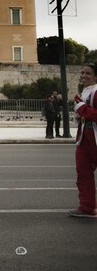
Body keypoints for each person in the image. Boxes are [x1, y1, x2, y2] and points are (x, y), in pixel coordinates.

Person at [70, 63, 97, 218]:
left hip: (93, 137)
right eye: (82, 73)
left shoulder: (95, 92)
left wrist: (81, 108)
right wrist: (79, 114)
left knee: (84, 172)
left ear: (95, 76)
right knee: (83, 173)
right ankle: (87, 207)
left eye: (88, 73)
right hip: (84, 138)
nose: (84, 75)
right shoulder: (85, 92)